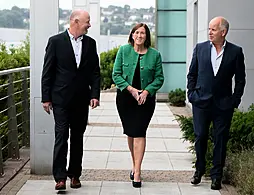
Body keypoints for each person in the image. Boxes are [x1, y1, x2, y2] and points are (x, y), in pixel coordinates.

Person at [41, 10, 100, 190]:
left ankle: (75, 174)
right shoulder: (55, 41)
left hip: (81, 100)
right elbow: (47, 72)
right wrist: (46, 98)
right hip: (60, 100)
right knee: (61, 136)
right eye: (87, 21)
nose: (89, 25)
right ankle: (60, 177)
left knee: (77, 138)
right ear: (75, 21)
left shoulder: (90, 43)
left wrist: (95, 95)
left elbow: (95, 72)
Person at [187, 16, 246, 190]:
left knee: (220, 140)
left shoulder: (236, 51)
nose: (209, 32)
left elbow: (241, 79)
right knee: (200, 137)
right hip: (201, 102)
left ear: (223, 32)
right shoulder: (200, 49)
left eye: (213, 29)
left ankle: (216, 176)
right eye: (209, 29)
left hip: (223, 105)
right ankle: (199, 170)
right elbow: (192, 74)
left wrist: (235, 100)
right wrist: (191, 94)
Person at [112, 23, 164, 188]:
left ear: (147, 36)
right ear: (132, 35)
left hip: (145, 100)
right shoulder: (123, 51)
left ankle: (138, 172)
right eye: (137, 33)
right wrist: (132, 90)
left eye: (143, 33)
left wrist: (147, 91)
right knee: (131, 132)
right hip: (125, 99)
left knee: (139, 132)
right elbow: (116, 74)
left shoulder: (155, 55)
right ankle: (135, 165)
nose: (140, 36)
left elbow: (159, 78)